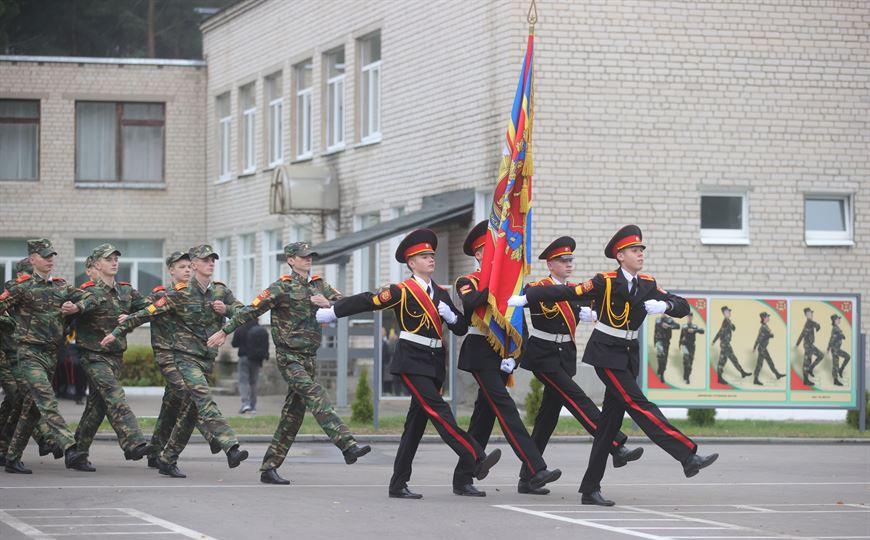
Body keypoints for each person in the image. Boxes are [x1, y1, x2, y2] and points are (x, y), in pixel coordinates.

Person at [509, 225, 718, 506]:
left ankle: (589, 489)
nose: (640, 254)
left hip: (629, 355)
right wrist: (528, 298)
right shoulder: (604, 281)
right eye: (634, 250)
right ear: (620, 256)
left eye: (642, 249)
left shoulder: (647, 283)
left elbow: (681, 305)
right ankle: (687, 455)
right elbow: (569, 292)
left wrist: (666, 307)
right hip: (606, 355)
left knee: (607, 426)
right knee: (638, 403)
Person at [317, 229, 501, 499]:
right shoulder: (401, 291)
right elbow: (368, 300)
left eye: (431, 255)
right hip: (411, 360)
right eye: (424, 256)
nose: (430, 259)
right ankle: (474, 454)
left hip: (435, 362)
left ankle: (397, 483)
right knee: (440, 411)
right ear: (411, 263)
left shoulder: (441, 293)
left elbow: (461, 328)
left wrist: (450, 314)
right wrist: (333, 311)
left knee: (414, 427)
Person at [208, 241, 370, 485]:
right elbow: (251, 310)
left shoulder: (319, 285)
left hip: (309, 358)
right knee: (315, 393)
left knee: (292, 416)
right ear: (291, 260)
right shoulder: (281, 287)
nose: (308, 260)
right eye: (303, 257)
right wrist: (225, 331)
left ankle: (269, 467)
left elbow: (344, 303)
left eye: (310, 256)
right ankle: (347, 445)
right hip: (289, 357)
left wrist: (331, 304)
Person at [103, 244, 249, 478]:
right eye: (205, 260)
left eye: (213, 259)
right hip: (180, 356)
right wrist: (117, 331)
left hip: (205, 358)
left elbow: (245, 312)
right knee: (200, 396)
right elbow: (146, 312)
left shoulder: (220, 292)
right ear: (194, 265)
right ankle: (229, 445)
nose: (211, 263)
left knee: (182, 407)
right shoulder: (177, 294)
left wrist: (227, 311)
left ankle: (166, 457)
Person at [518, 235, 642, 496]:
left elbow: (601, 305)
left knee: (547, 418)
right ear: (550, 265)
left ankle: (528, 476)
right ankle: (616, 444)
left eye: (570, 260)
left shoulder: (577, 291)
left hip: (564, 356)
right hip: (544, 356)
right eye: (563, 261)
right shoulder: (537, 287)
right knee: (577, 398)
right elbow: (523, 308)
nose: (568, 264)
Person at [451, 221, 562, 497]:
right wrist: (494, 281)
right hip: (479, 350)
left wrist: (516, 357)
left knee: (484, 416)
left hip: (501, 354)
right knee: (505, 406)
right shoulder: (469, 281)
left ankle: (462, 478)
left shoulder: (507, 284)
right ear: (479, 254)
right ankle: (535, 467)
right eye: (490, 250)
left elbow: (516, 323)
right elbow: (472, 302)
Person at [0, 239, 94, 474]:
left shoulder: (61, 287)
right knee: (46, 398)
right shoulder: (21, 287)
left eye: (51, 255)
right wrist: (11, 323)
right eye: (44, 255)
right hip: (29, 354)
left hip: (52, 354)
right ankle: (69, 446)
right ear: (32, 259)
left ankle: (12, 458)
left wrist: (77, 308)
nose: (50, 259)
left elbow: (92, 298)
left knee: (32, 408)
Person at [72, 244, 157, 468]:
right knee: (113, 393)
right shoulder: (87, 291)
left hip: (116, 355)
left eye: (116, 258)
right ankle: (134, 442)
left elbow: (150, 309)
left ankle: (77, 453)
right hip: (93, 355)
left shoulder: (126, 291)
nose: (114, 262)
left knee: (98, 405)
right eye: (108, 259)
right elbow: (75, 310)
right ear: (96, 264)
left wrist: (132, 318)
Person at [232, 319, 269, 414]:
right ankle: (253, 406)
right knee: (254, 382)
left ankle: (245, 404)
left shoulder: (241, 328)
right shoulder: (261, 330)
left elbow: (234, 344)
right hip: (256, 359)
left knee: (243, 381)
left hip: (244, 358)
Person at [713, 306, 751, 384]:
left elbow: (722, 330)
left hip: (725, 344)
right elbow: (722, 331)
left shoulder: (727, 321)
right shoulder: (726, 321)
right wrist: (715, 340)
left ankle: (742, 372)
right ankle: (720, 378)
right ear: (724, 313)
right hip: (725, 344)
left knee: (724, 360)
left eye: (729, 311)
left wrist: (714, 340)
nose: (729, 313)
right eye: (727, 312)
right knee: (727, 360)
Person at [752, 312, 784, 385]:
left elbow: (761, 337)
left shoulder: (765, 326)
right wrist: (769, 336)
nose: (768, 318)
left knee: (770, 362)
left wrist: (769, 335)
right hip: (762, 348)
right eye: (767, 317)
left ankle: (777, 374)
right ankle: (755, 380)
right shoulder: (763, 327)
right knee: (759, 364)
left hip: (764, 348)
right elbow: (760, 338)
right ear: (764, 318)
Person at [796, 307, 824, 385]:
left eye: (811, 312)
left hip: (809, 345)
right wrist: (818, 326)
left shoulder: (808, 323)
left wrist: (797, 344)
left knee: (820, 355)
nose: (811, 314)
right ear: (806, 314)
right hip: (808, 345)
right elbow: (817, 325)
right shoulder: (809, 322)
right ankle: (806, 380)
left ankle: (810, 369)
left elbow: (802, 334)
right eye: (809, 313)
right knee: (807, 362)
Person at [679, 313, 704, 385]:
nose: (689, 318)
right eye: (688, 317)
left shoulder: (694, 326)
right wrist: (679, 344)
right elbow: (681, 336)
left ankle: (686, 375)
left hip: (692, 346)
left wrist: (694, 330)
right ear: (687, 317)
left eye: (690, 317)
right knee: (686, 361)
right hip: (684, 346)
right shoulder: (684, 326)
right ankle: (687, 378)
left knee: (690, 362)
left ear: (692, 318)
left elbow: (702, 331)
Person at [653, 315, 680, 381]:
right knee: (660, 356)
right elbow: (655, 331)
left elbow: (678, 326)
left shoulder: (669, 320)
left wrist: (669, 326)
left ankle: (661, 371)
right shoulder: (658, 320)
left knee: (664, 359)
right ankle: (661, 374)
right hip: (659, 341)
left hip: (666, 342)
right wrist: (655, 342)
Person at [828, 314, 849, 386]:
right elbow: (832, 339)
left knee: (847, 357)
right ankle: (835, 380)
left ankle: (841, 370)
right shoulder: (835, 328)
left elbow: (833, 338)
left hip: (837, 349)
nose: (839, 320)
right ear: (834, 321)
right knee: (835, 364)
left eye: (839, 319)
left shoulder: (837, 328)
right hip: (835, 349)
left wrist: (841, 336)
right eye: (838, 319)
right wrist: (829, 347)